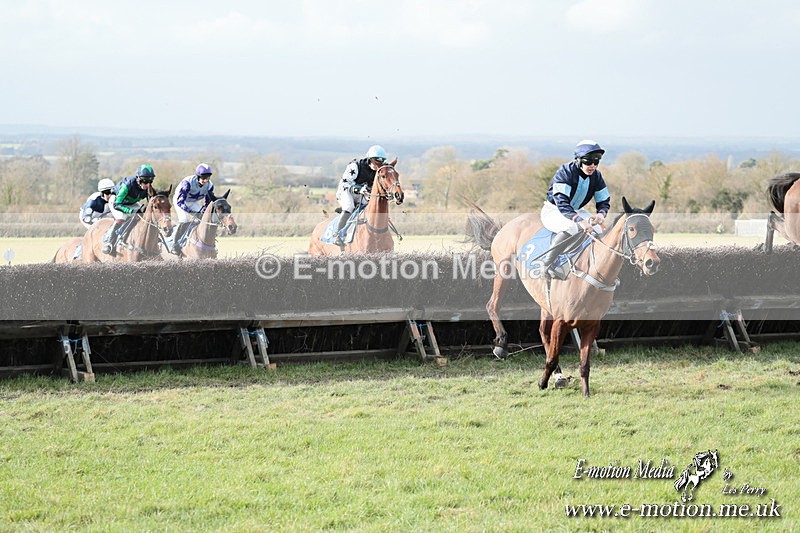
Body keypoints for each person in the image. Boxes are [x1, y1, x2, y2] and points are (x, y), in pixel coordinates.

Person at [539, 140, 611, 278]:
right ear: (578, 160)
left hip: (577, 210)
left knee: (600, 230)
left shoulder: (597, 176)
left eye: (596, 162)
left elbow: (603, 200)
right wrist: (579, 220)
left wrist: (601, 214)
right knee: (572, 227)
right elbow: (562, 203)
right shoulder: (565, 172)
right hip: (554, 210)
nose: (592, 166)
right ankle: (546, 264)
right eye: (588, 161)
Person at [333, 145, 387, 245]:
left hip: (362, 194)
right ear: (370, 159)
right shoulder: (355, 166)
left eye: (381, 162)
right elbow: (345, 183)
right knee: (349, 206)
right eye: (376, 162)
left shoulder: (379, 170)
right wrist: (358, 189)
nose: (378, 165)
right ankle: (337, 235)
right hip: (346, 191)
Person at [101, 164, 155, 255]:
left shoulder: (148, 187)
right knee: (122, 217)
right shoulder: (127, 185)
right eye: (145, 181)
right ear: (138, 179)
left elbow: (150, 203)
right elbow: (117, 204)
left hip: (131, 202)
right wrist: (131, 211)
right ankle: (109, 241)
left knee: (142, 216)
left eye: (150, 181)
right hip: (116, 201)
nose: (147, 185)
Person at [171, 163, 216, 254]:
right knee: (184, 219)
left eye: (207, 178)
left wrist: (203, 212)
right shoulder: (187, 182)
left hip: (193, 202)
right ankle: (175, 244)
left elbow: (208, 204)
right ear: (197, 176)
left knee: (203, 218)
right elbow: (180, 202)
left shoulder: (210, 186)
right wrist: (191, 212)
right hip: (180, 201)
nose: (205, 180)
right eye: (203, 177)